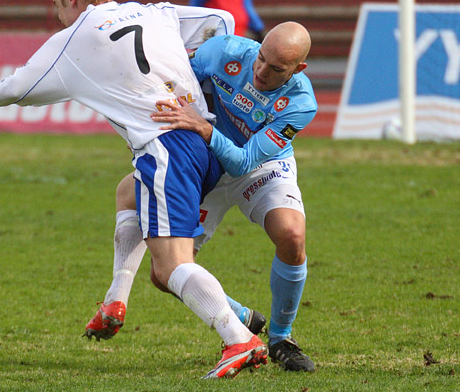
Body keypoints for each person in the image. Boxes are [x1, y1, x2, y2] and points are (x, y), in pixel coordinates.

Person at [0, 0, 268, 379]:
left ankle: (239, 338)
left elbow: (14, 90)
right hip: (204, 138)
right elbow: (221, 21)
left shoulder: (73, 39)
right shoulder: (154, 12)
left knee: (171, 266)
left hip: (165, 149)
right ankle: (114, 299)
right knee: (128, 192)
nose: (58, 15)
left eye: (57, 5)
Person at [87, 22, 318, 372]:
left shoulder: (301, 103)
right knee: (164, 272)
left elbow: (244, 161)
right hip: (206, 161)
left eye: (276, 69)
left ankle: (281, 339)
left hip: (259, 165)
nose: (260, 71)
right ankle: (241, 319)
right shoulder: (223, 51)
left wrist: (206, 128)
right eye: (261, 58)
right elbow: (172, 85)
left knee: (292, 235)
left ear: (298, 69)